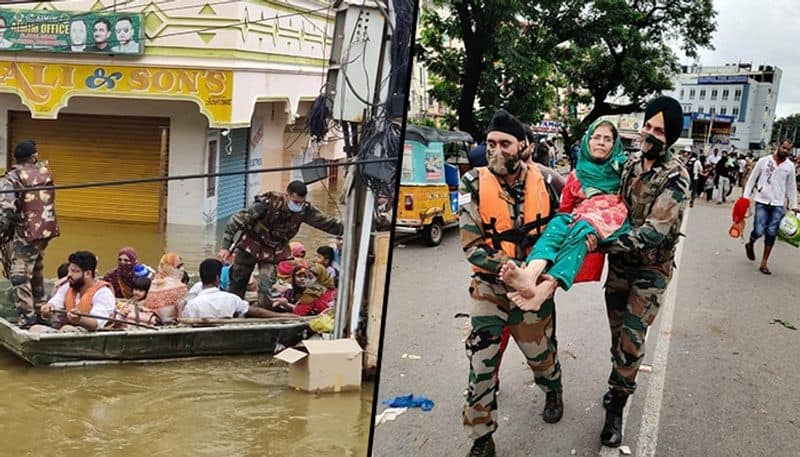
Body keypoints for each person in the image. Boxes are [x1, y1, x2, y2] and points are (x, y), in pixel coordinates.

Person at [458, 109, 562, 457]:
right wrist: (508, 270)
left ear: (523, 146)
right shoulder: (472, 182)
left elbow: (565, 229)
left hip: (532, 289)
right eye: (490, 144)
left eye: (505, 143)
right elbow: (472, 246)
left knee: (541, 356)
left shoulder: (547, 182)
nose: (496, 151)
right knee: (481, 364)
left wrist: (534, 277)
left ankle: (553, 387)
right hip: (490, 287)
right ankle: (482, 438)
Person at [595, 96, 690, 447]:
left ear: (671, 137)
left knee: (631, 341)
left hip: (650, 269)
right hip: (620, 267)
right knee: (617, 333)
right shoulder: (629, 166)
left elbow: (654, 232)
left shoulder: (677, 177)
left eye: (659, 131)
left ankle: (616, 406)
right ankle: (619, 377)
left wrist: (603, 244)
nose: (649, 134)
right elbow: (604, 199)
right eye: (648, 126)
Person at [500, 119, 630, 311]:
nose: (601, 142)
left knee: (580, 226)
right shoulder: (576, 176)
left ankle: (547, 287)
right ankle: (530, 274)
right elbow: (565, 209)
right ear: (587, 141)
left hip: (613, 219)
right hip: (583, 219)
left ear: (614, 144)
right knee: (558, 223)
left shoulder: (625, 170)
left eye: (608, 139)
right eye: (596, 137)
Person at [217, 180, 343, 309]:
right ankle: (232, 312)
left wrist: (347, 229)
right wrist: (225, 247)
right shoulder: (268, 203)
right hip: (250, 246)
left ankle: (263, 315)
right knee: (238, 282)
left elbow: (325, 222)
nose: (298, 205)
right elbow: (236, 220)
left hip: (272, 251)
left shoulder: (304, 210)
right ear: (287, 195)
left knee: (266, 287)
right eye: (295, 202)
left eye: (301, 202)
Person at [0, 140, 60, 323]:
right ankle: (40, 307)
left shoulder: (12, 178)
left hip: (26, 231)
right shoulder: (43, 172)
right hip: (45, 229)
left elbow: (6, 209)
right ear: (34, 156)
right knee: (36, 268)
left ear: (14, 158)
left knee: (19, 274)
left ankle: (28, 316)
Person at [743, 139, 799, 275]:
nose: (785, 151)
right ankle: (750, 243)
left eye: (788, 149)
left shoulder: (790, 166)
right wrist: (745, 197)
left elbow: (791, 187)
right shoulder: (764, 161)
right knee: (758, 229)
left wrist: (794, 205)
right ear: (779, 147)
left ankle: (764, 263)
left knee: (771, 232)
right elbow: (752, 179)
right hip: (762, 200)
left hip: (778, 204)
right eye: (784, 148)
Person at [34, 251, 115, 333]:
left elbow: (96, 323)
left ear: (87, 273)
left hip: (93, 334)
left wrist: (80, 319)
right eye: (69, 270)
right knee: (35, 329)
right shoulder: (67, 287)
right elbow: (55, 303)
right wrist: (48, 308)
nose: (69, 275)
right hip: (67, 332)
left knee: (67, 329)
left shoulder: (103, 293)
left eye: (74, 271)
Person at [181, 259, 284, 319]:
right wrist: (283, 316)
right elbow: (256, 311)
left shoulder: (192, 304)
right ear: (218, 278)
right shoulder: (231, 299)